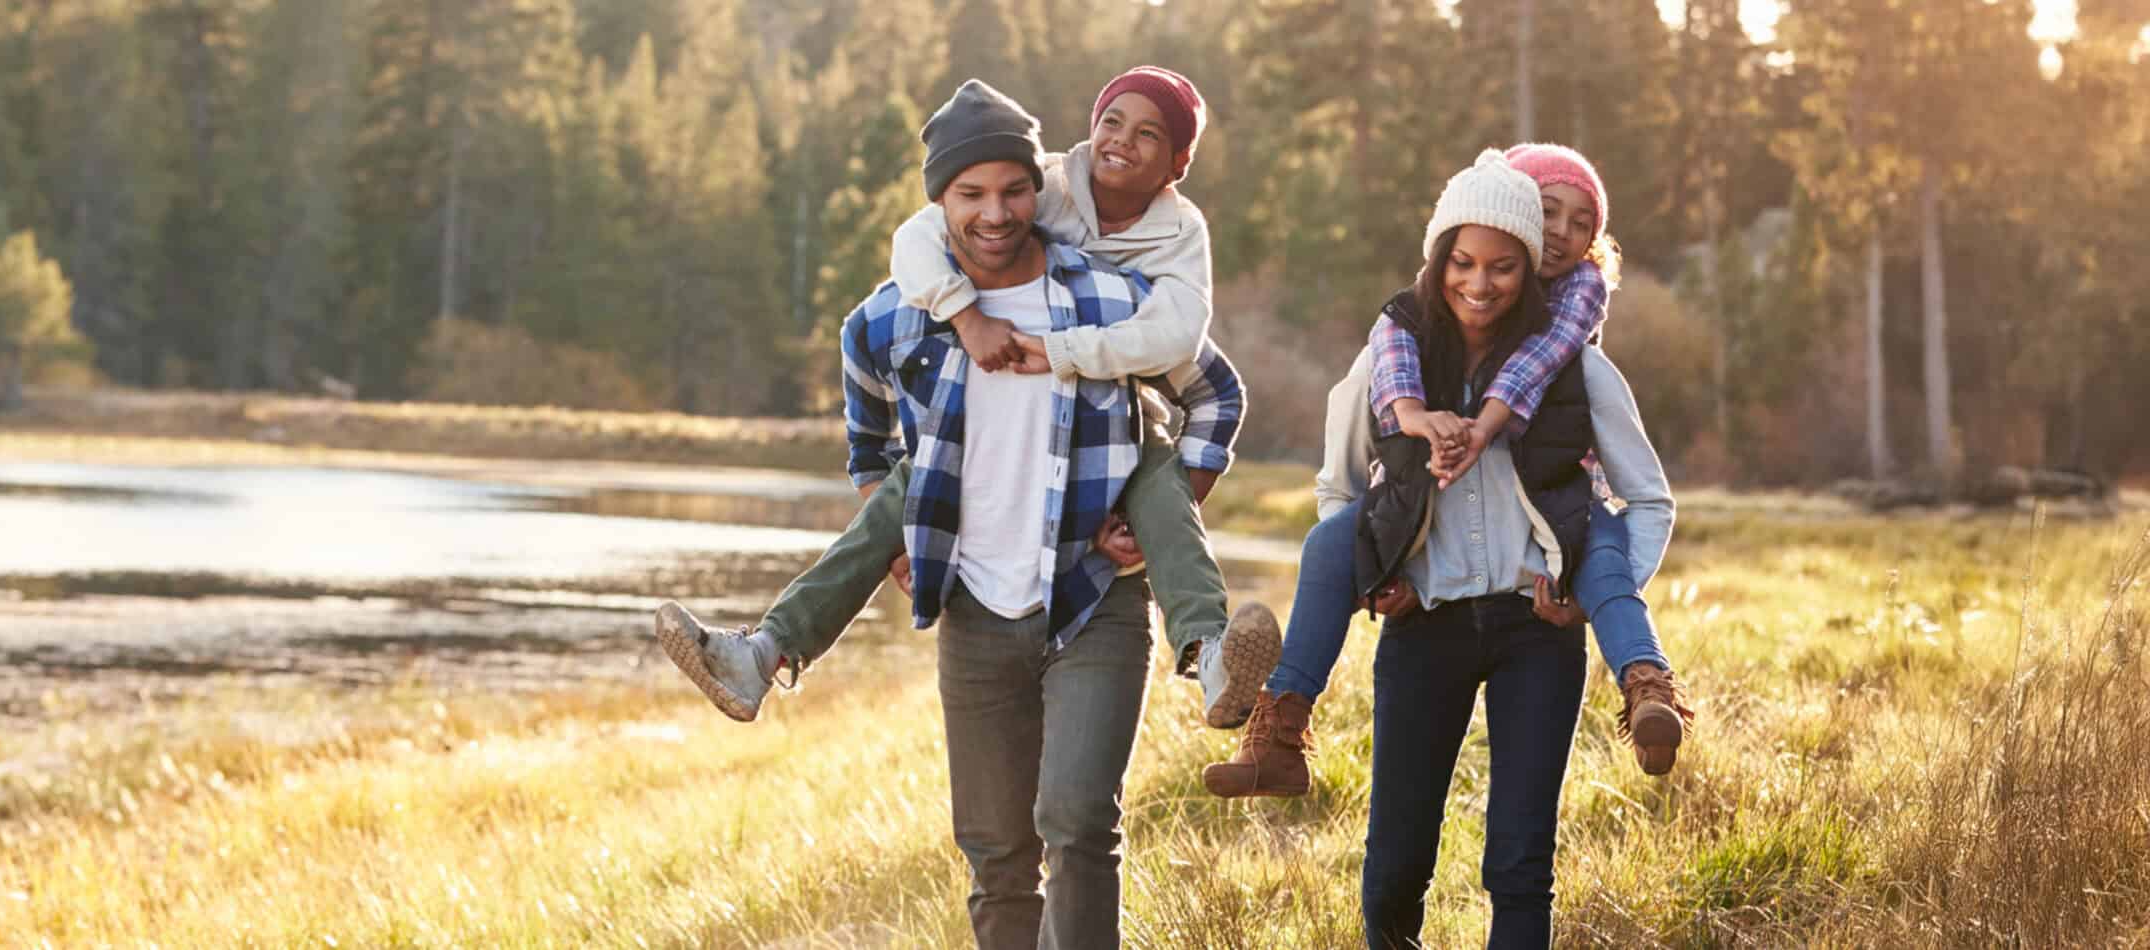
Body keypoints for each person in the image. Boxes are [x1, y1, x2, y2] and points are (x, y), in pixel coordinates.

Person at [656, 66, 1277, 732]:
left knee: (1157, 477)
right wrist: (964, 315)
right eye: (1112, 122)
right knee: (911, 484)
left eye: (1149, 133)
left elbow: (1190, 345)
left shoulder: (1177, 240)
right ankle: (762, 654)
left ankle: (1209, 654)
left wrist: (1153, 510)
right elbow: (916, 239)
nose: (1121, 141)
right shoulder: (1042, 184)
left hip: (1120, 419)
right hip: (989, 426)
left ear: (1179, 163)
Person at [1204, 142, 1691, 802]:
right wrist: (1382, 562)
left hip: (1555, 510)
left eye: (1582, 224)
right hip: (1422, 536)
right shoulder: (1409, 321)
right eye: (1548, 213)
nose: (1563, 235)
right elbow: (1357, 440)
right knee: (1327, 544)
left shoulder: (1573, 318)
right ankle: (1280, 727)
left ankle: (1646, 684)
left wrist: (1482, 427)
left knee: (1602, 553)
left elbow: (1539, 368)